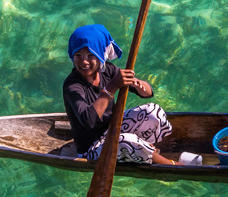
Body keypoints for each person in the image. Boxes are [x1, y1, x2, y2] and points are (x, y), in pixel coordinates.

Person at [62, 24, 178, 165]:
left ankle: (143, 150)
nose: (84, 61)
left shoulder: (107, 70)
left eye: (91, 55)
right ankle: (169, 164)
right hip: (91, 149)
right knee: (126, 141)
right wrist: (113, 86)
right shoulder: (73, 85)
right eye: (78, 55)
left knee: (154, 112)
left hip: (113, 130)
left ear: (100, 55)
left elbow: (148, 93)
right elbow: (88, 120)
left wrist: (136, 84)